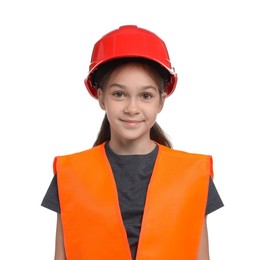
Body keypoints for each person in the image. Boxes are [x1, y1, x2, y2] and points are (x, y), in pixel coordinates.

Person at [41, 25, 224, 260]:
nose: (132, 108)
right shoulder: (71, 174)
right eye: (119, 94)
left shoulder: (192, 175)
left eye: (145, 95)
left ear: (161, 101)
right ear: (101, 97)